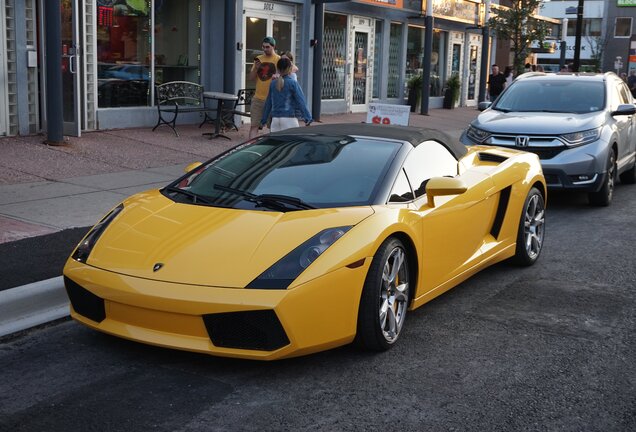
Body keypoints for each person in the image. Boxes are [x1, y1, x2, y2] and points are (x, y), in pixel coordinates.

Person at [260, 57, 312, 133]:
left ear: (277, 68)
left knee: (277, 144)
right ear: (290, 68)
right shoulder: (293, 83)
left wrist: (263, 120)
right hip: (289, 120)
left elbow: (268, 103)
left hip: (275, 121)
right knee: (293, 144)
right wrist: (307, 118)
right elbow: (301, 101)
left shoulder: (273, 83)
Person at [248, 36, 280, 139]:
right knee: (254, 126)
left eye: (267, 47)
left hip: (273, 100)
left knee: (274, 128)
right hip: (258, 98)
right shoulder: (259, 59)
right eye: (263, 47)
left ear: (273, 46)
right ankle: (250, 148)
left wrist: (279, 75)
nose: (265, 49)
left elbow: (292, 70)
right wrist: (256, 68)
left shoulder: (279, 59)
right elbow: (251, 78)